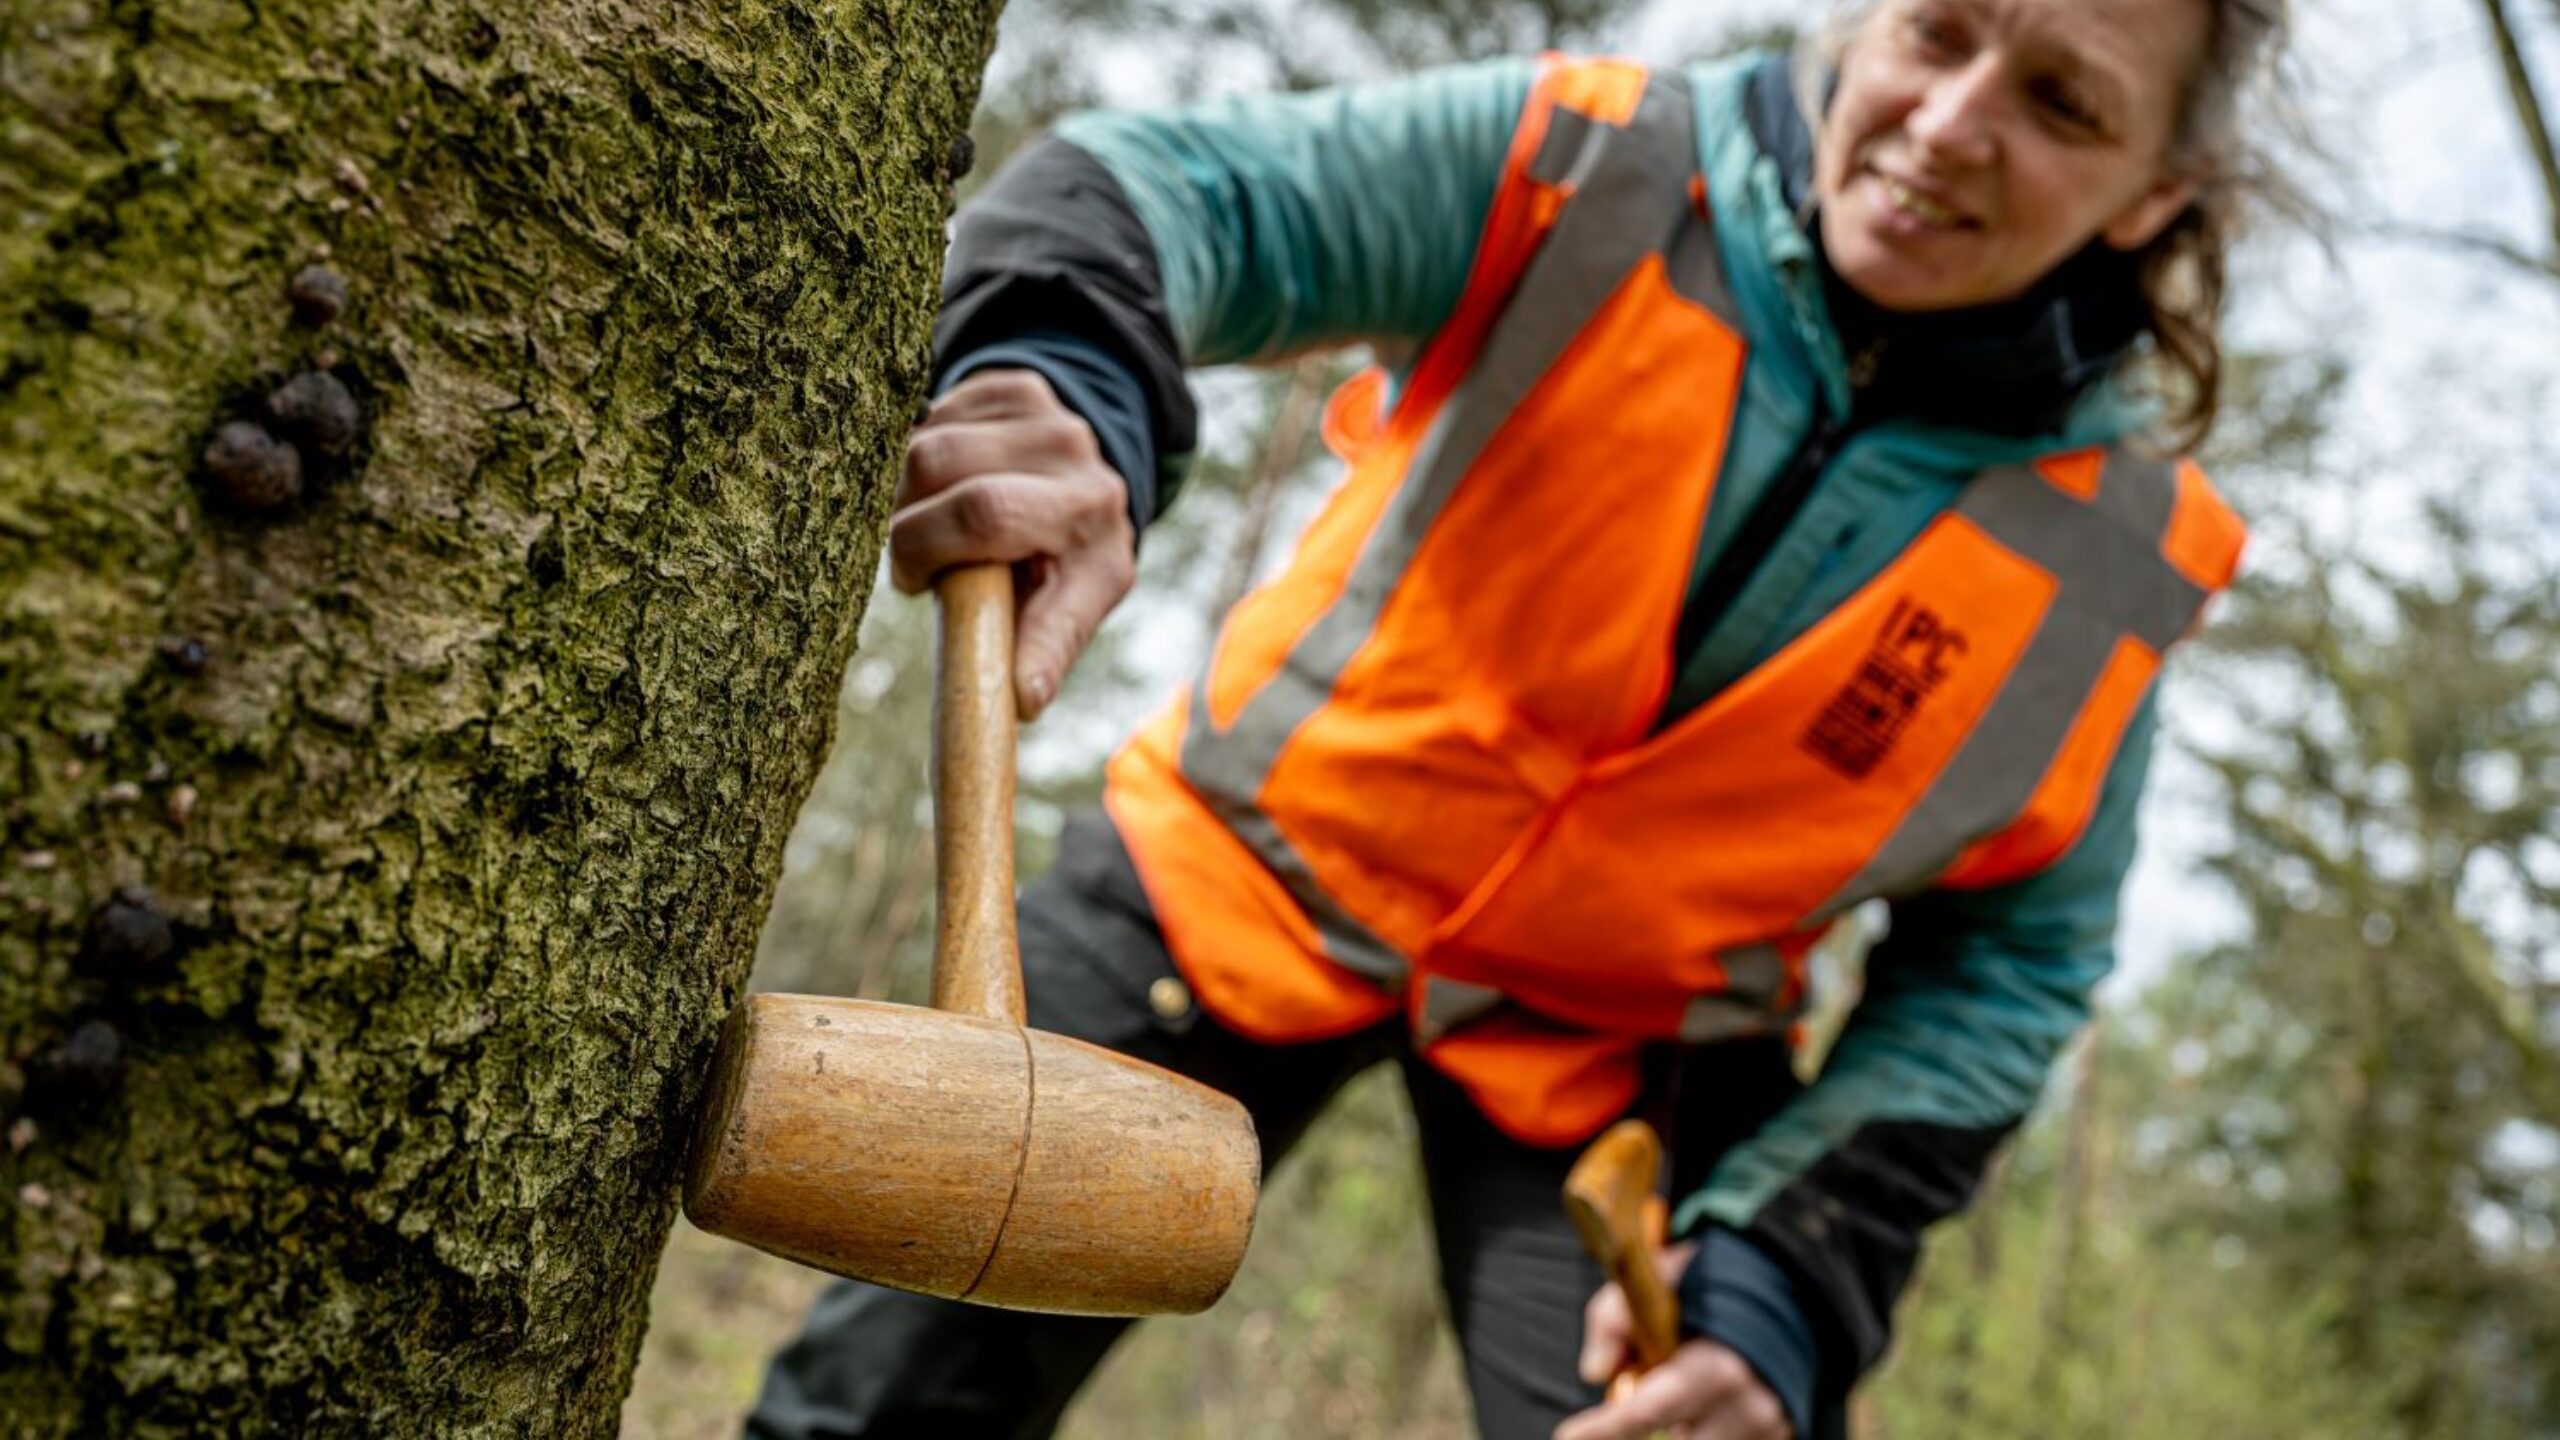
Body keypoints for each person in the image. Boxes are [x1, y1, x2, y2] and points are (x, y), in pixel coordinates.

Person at [750, 0, 2291, 1435]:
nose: (1951, 121)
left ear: (2163, 189)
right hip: (1229, 878)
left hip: (1624, 1054)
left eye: (2061, 102)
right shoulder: (1592, 161)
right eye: (1936, 30)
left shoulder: (2117, 564)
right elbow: (1165, 188)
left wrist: (1788, 1281)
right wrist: (1063, 373)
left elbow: (2011, 968)